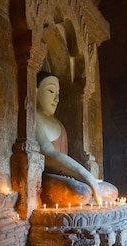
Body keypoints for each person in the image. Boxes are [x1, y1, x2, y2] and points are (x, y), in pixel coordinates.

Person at [35, 70, 117, 206]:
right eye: (50, 91)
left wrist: (85, 176)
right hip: (46, 177)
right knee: (80, 193)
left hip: (66, 174)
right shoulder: (34, 117)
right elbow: (49, 154)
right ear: (35, 91)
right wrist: (86, 176)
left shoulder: (58, 123)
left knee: (111, 191)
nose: (56, 99)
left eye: (58, 94)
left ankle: (89, 189)